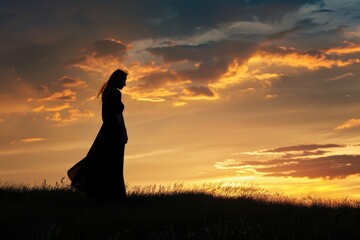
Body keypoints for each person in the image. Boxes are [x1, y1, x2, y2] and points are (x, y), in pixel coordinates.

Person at [67, 69, 128, 201]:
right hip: (114, 131)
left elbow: (104, 117)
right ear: (118, 80)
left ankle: (99, 193)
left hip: (106, 130)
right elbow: (118, 115)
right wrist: (124, 132)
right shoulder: (116, 93)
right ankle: (115, 195)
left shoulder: (106, 93)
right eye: (124, 81)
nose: (125, 84)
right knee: (114, 163)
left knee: (101, 160)